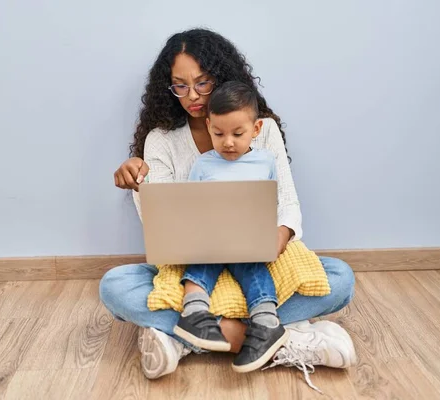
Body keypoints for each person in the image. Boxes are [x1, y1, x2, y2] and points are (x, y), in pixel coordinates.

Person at [100, 28, 357, 383]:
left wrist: (276, 239)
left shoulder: (261, 130)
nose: (192, 96)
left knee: (340, 278)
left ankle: (189, 339)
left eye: (203, 83)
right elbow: (160, 227)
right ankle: (265, 339)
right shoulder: (161, 140)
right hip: (195, 271)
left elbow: (287, 202)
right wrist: (140, 185)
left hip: (256, 263)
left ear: (221, 77)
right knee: (114, 285)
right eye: (180, 85)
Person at [174, 81, 288, 373]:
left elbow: (274, 201)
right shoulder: (203, 164)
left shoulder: (265, 160)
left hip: (248, 241)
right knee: (201, 263)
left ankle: (266, 324)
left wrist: (273, 234)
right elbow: (190, 205)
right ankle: (196, 316)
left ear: (256, 129)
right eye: (218, 133)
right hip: (211, 240)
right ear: (209, 124)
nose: (228, 142)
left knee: (253, 269)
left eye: (238, 134)